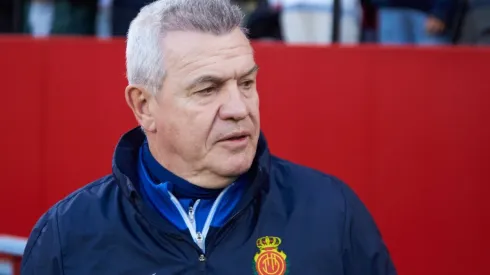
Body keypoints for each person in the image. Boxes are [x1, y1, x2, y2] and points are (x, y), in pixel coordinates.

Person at [21, 0, 397, 274]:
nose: (239, 107)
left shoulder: (332, 213)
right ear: (144, 105)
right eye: (207, 89)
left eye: (246, 82)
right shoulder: (67, 237)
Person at [370, 0, 458, 45]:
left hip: (429, 14)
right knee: (394, 71)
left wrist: (441, 11)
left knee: (434, 71)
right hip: (390, 12)